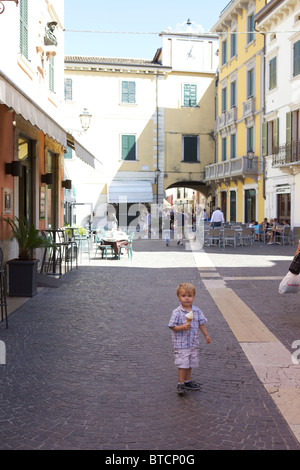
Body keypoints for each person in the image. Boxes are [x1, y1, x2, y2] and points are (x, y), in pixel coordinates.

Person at [168, 283, 211, 396]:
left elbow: (201, 323)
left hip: (192, 343)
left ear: (194, 297)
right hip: (181, 344)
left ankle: (187, 381)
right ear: (178, 297)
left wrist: (206, 335)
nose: (187, 298)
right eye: (183, 295)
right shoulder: (177, 312)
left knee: (190, 363)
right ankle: (180, 383)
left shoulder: (196, 311)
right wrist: (182, 327)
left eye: (190, 295)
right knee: (183, 363)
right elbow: (172, 326)